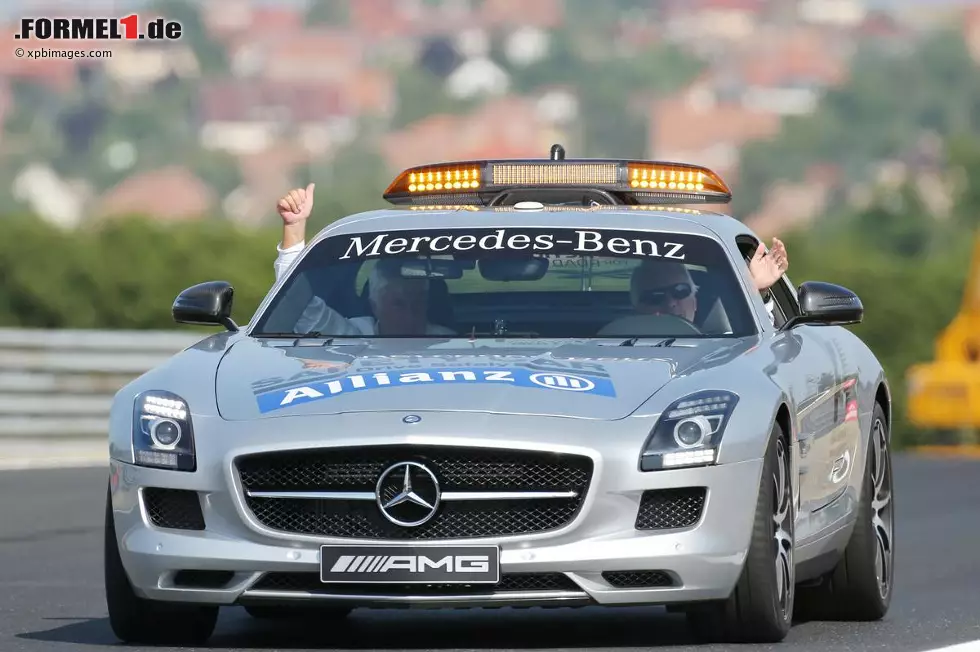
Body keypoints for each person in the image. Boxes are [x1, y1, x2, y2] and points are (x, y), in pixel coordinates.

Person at [273, 185, 454, 336]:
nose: (410, 314)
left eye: (418, 302)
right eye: (398, 303)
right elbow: (299, 304)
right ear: (376, 306)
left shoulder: (449, 344)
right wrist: (294, 227)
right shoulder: (353, 338)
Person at [629, 238, 789, 326]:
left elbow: (766, 347)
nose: (670, 302)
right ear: (637, 306)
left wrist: (757, 292)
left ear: (695, 300)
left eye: (680, 291)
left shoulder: (729, 349)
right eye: (656, 296)